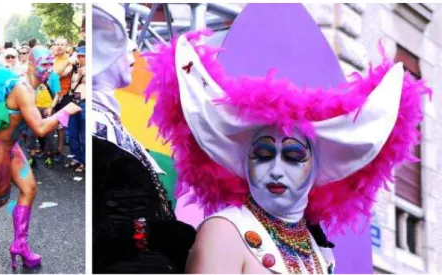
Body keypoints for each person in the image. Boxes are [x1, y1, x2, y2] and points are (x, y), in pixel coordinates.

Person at [144, 31, 432, 273]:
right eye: (264, 155)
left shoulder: (317, 250)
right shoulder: (225, 232)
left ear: (317, 168)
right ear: (245, 162)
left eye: (294, 158)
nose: (277, 170)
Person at [92, 4, 196, 273]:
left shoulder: (109, 120)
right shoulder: (95, 127)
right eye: (123, 42)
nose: (133, 53)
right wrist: (149, 234)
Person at [0, 45, 81, 268]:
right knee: (1, 197)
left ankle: (20, 244)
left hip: (11, 146)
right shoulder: (24, 89)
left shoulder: (32, 86)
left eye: (52, 64)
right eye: (44, 64)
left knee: (29, 188)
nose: (49, 69)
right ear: (31, 64)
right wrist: (65, 111)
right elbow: (40, 129)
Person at [52, 37, 74, 162]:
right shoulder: (53, 58)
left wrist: (65, 63)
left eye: (62, 44)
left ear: (66, 47)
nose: (59, 46)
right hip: (50, 95)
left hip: (63, 96)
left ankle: (59, 151)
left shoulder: (69, 60)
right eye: (57, 44)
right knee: (50, 122)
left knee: (60, 125)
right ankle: (49, 149)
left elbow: (57, 74)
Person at [65, 46, 86, 172]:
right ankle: (76, 158)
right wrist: (70, 61)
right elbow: (59, 72)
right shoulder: (74, 68)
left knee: (84, 135)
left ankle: (84, 161)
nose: (80, 58)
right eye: (79, 55)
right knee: (72, 134)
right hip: (73, 103)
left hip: (84, 103)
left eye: (83, 56)